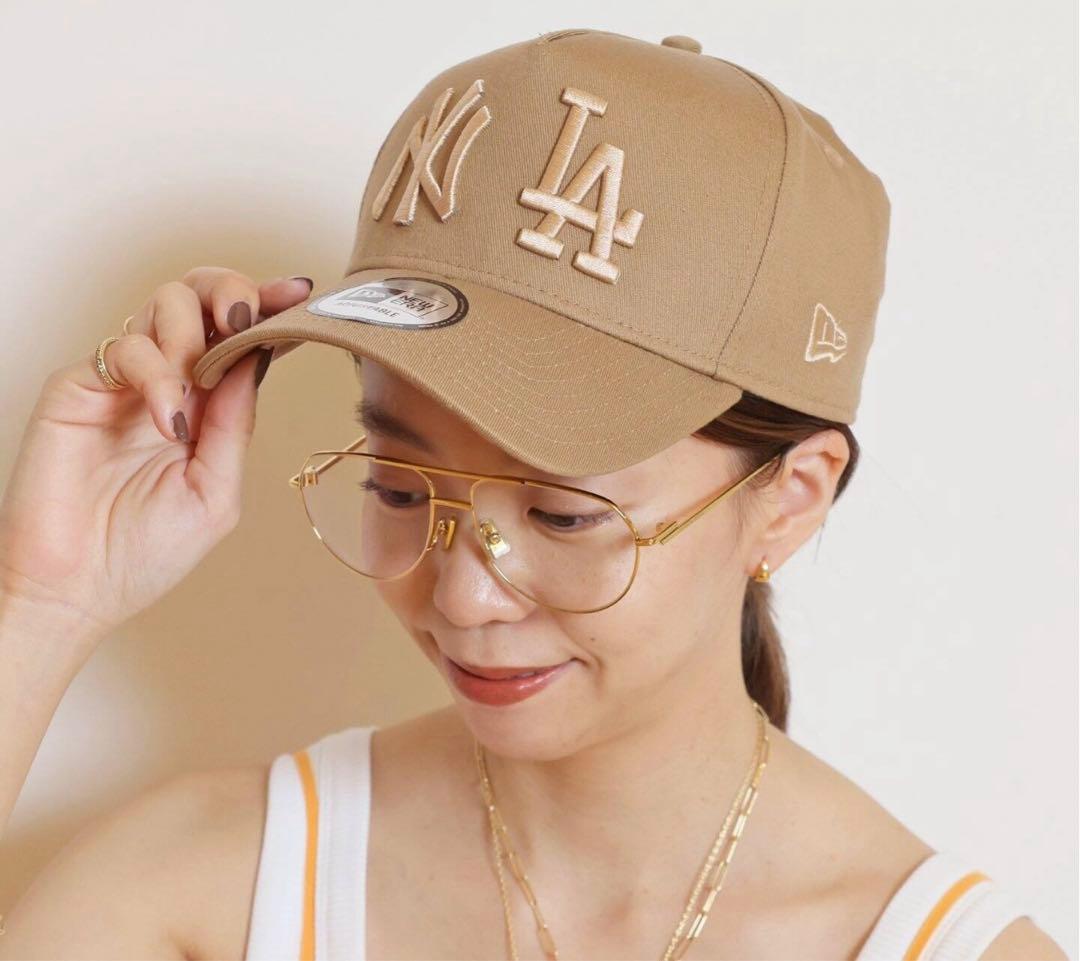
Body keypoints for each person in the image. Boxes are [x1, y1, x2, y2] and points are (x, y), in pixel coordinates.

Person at [0, 27, 1066, 961]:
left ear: (790, 498)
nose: (462, 596)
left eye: (564, 513)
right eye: (399, 487)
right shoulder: (213, 886)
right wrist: (43, 603)